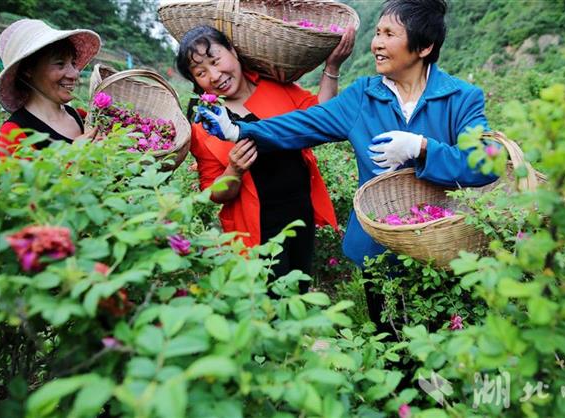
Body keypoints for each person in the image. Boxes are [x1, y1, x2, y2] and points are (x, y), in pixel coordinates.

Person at [195, 0, 499, 333]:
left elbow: (484, 164)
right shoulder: (363, 98)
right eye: (377, 32)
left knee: (444, 340)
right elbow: (300, 124)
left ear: (423, 47)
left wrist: (423, 149)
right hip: (379, 252)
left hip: (443, 250)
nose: (376, 43)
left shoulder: (461, 98)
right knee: (392, 338)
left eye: (389, 34)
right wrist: (239, 130)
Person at [175, 25, 356, 288]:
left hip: (300, 213)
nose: (214, 75)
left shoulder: (276, 87)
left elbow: (321, 118)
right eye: (201, 72)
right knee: (269, 301)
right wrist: (233, 171)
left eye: (216, 61)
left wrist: (333, 67)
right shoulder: (206, 125)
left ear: (234, 52)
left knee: (300, 288)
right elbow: (212, 191)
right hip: (254, 228)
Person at [0, 19, 101, 157]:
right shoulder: (14, 134)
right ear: (28, 70)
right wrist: (73, 155)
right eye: (60, 63)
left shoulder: (82, 117)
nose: (75, 74)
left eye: (73, 63)